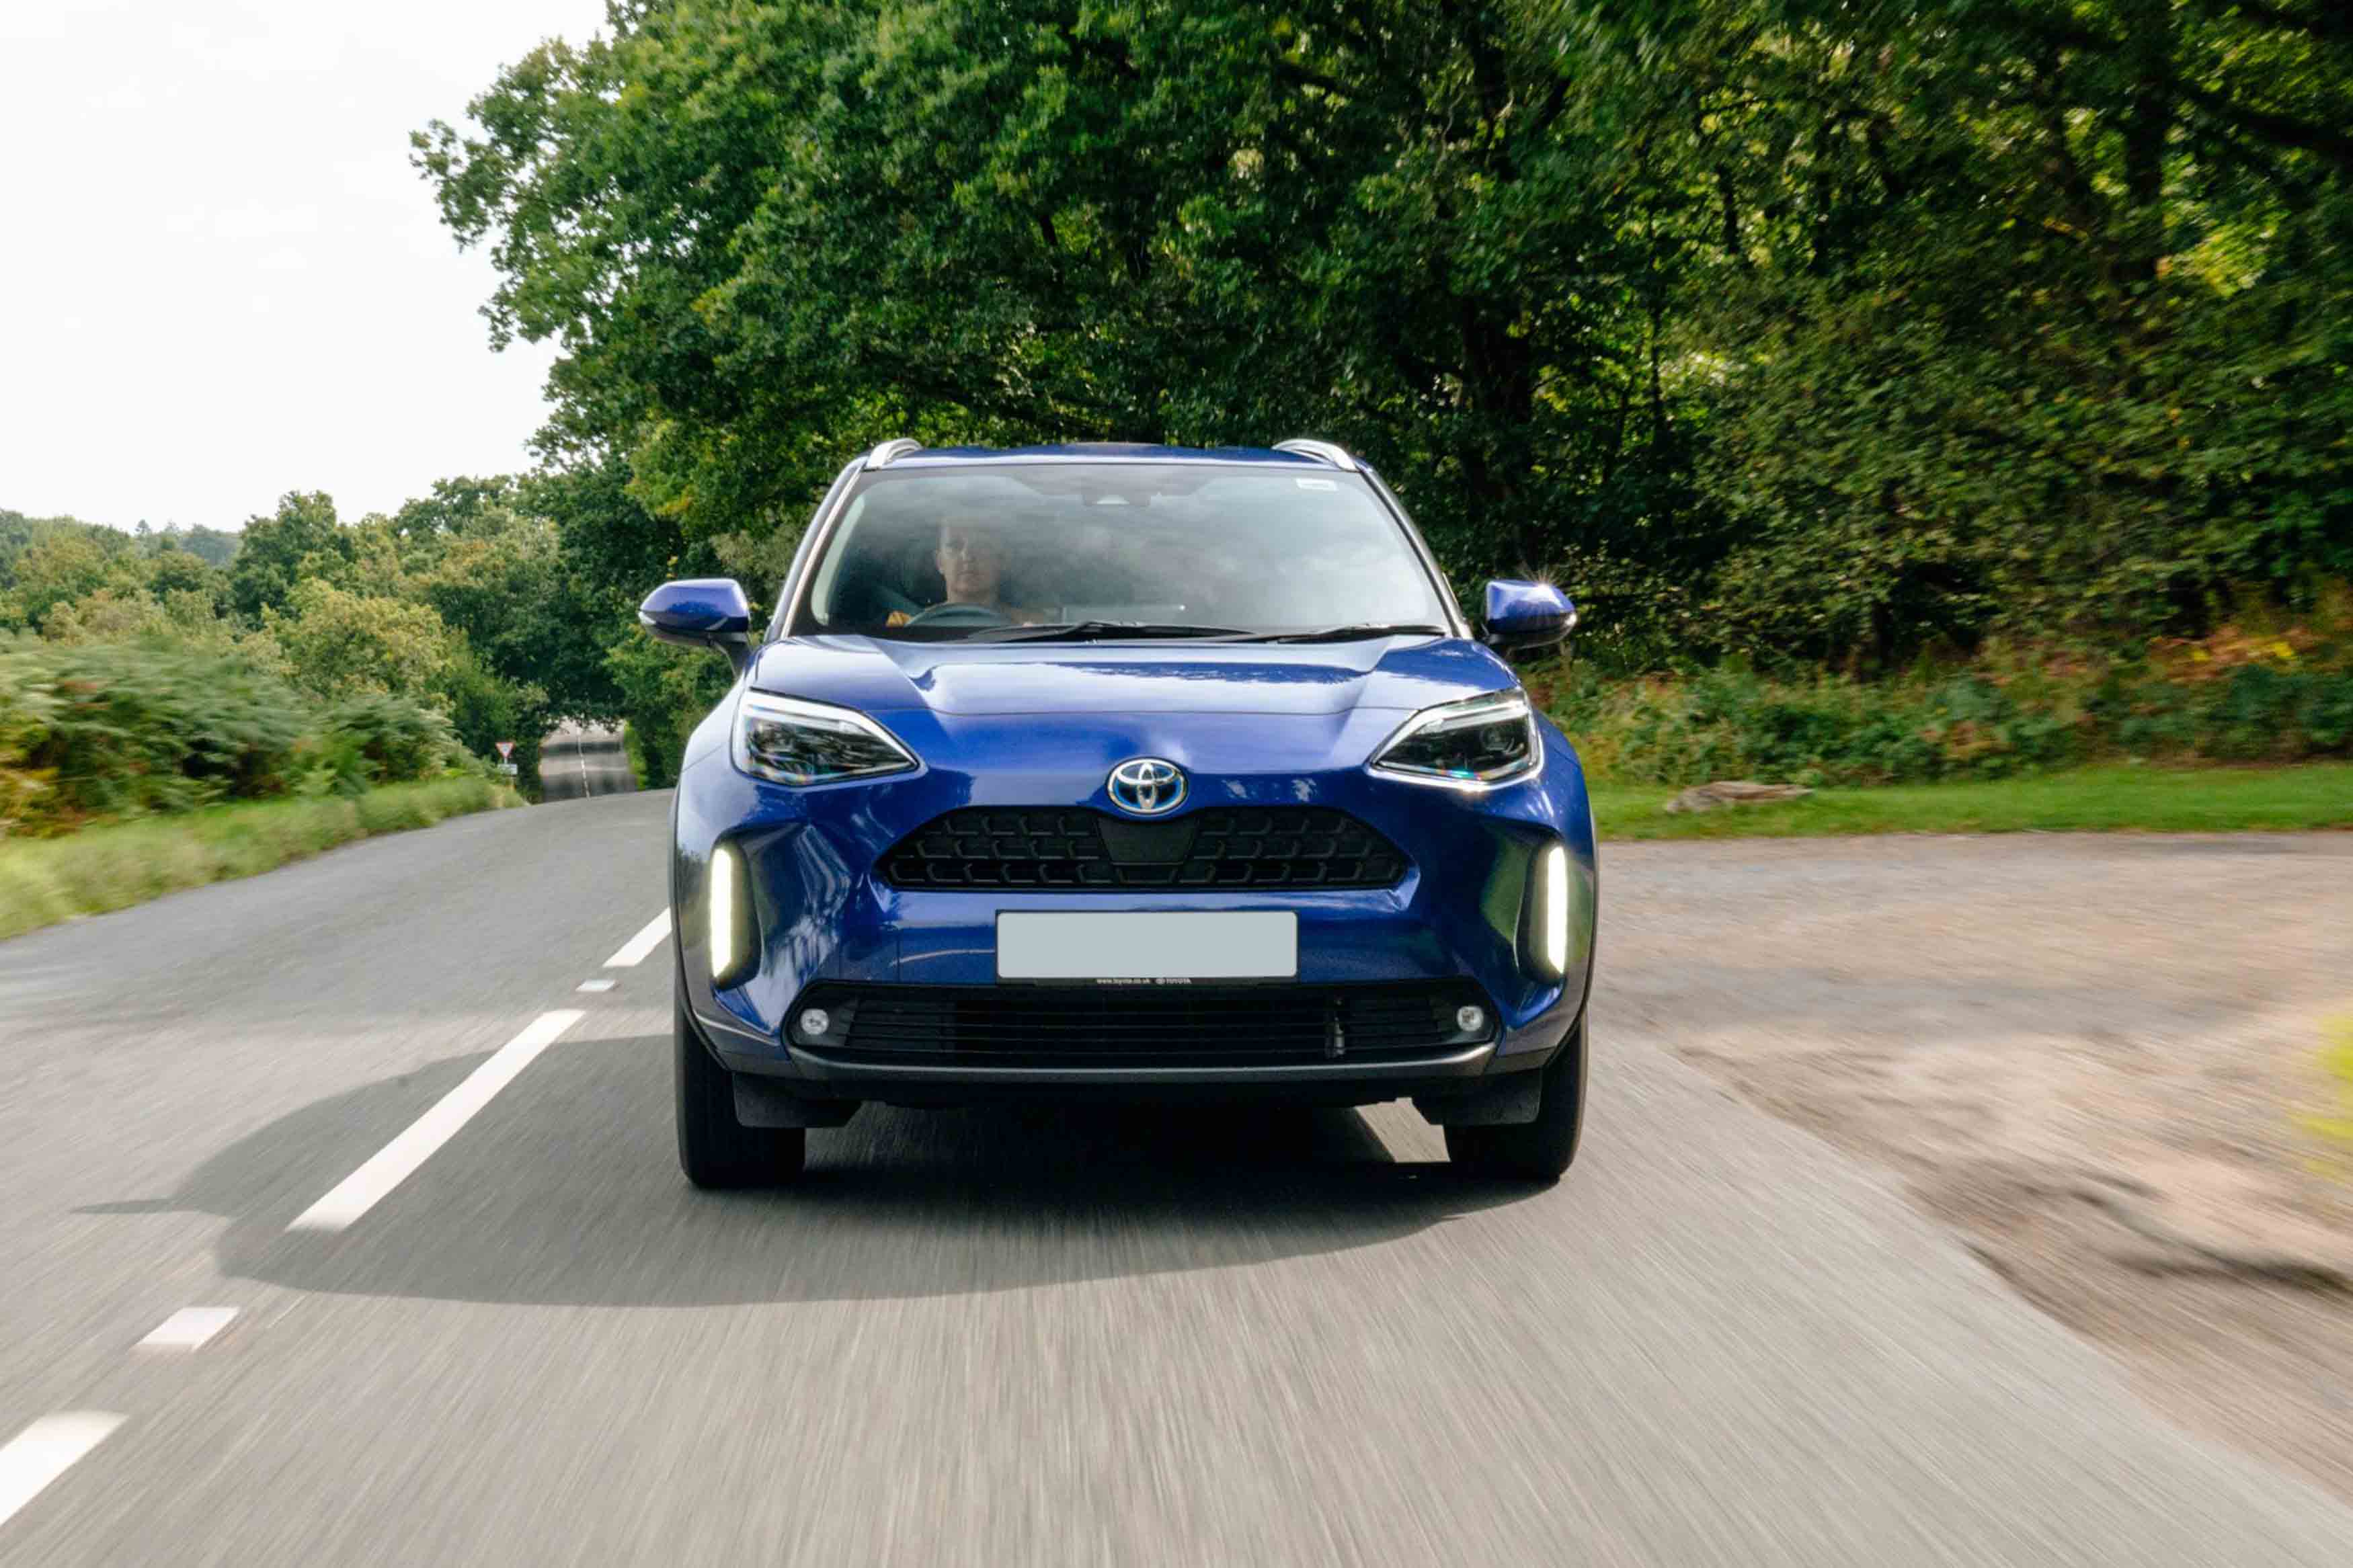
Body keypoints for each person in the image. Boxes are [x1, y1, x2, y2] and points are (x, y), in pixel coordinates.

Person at [888, 513, 1039, 624]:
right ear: (940, 562)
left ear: (1002, 560)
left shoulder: (1032, 626)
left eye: (981, 546)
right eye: (955, 546)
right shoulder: (903, 625)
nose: (967, 555)